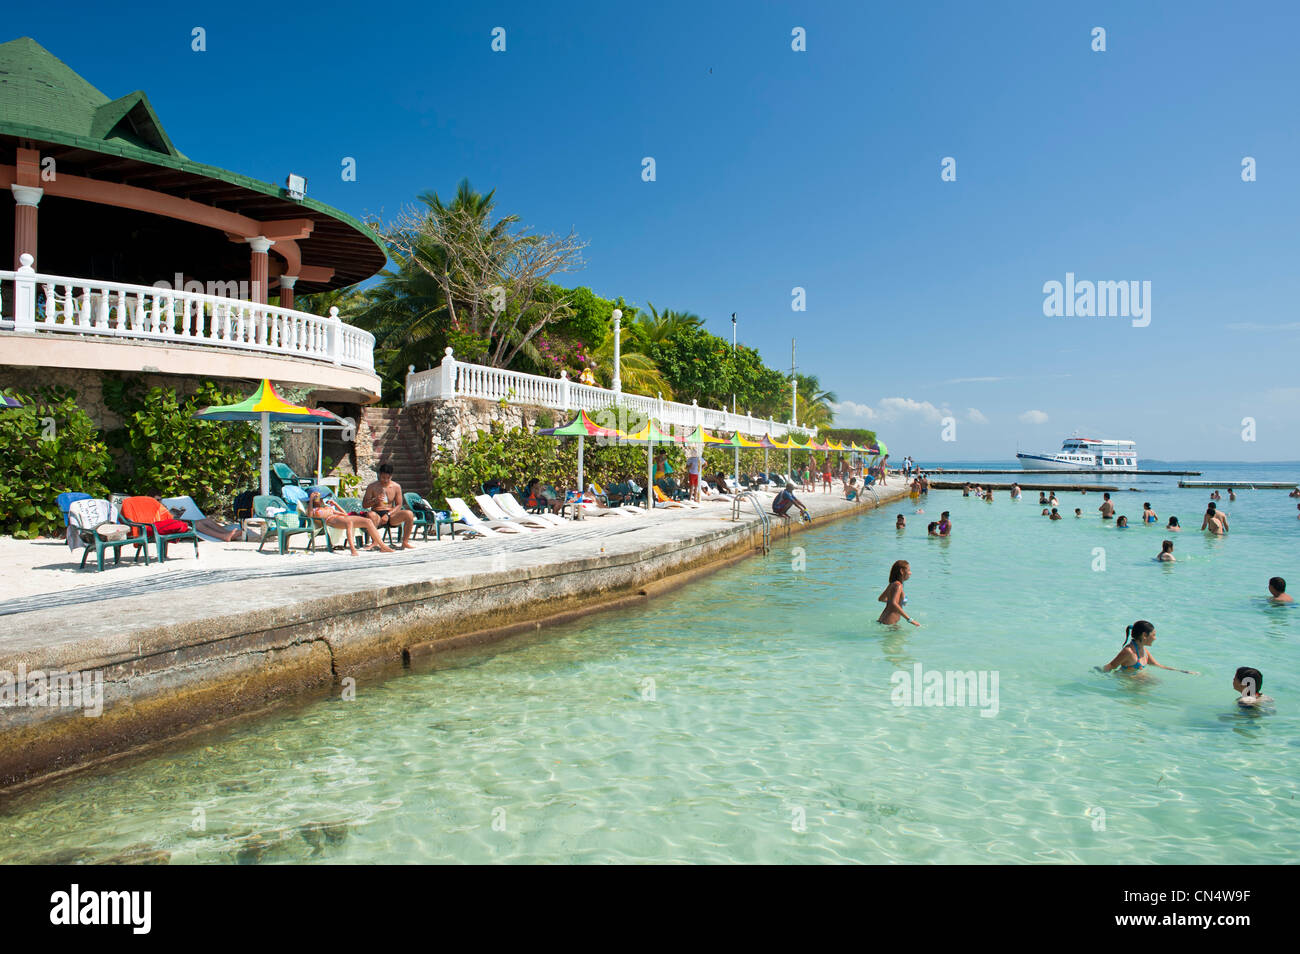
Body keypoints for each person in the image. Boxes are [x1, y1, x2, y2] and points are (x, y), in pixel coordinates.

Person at [307, 491, 393, 556]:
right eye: (318, 499)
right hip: (332, 521)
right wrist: (311, 500)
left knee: (368, 521)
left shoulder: (328, 508)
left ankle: (382, 545)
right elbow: (310, 515)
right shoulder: (314, 510)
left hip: (342, 518)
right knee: (349, 522)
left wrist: (335, 504)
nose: (320, 500)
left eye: (321, 498)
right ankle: (353, 549)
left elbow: (344, 513)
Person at [1098, 620, 1198, 674]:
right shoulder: (1128, 652)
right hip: (1127, 687)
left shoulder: (1144, 650)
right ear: (1144, 635)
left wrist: (1183, 671)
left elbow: (1158, 665)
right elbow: (1111, 666)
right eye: (1153, 635)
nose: (1155, 638)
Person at [362, 464, 416, 549]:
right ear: (379, 475)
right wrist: (375, 500)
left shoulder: (396, 486)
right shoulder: (372, 486)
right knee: (370, 514)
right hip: (377, 513)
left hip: (391, 514)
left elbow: (399, 504)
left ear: (391, 476)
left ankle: (405, 542)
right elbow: (364, 505)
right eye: (383, 478)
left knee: (409, 514)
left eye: (388, 478)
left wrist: (388, 514)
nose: (385, 480)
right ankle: (375, 542)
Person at [877, 559, 919, 626]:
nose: (910, 573)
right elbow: (894, 603)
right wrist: (910, 620)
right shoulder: (898, 585)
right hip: (890, 623)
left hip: (883, 620)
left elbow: (881, 598)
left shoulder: (892, 584)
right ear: (902, 571)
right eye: (908, 570)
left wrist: (899, 602)